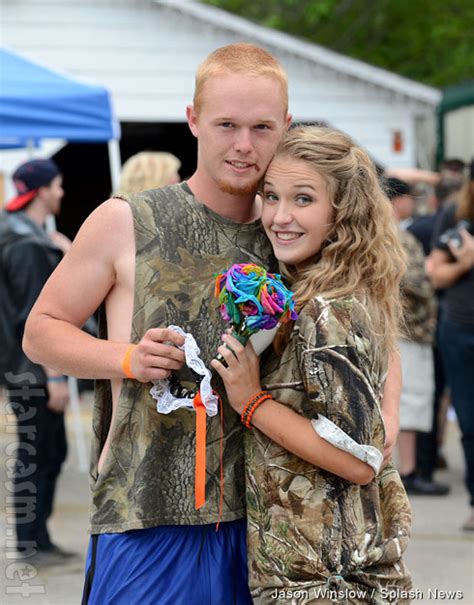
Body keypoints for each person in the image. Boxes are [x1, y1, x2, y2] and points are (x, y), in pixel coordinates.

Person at [23, 45, 402, 603]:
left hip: (276, 529)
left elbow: (374, 332)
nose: (244, 145)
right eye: (226, 124)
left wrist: (385, 422)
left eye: (261, 127)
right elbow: (41, 332)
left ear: (286, 127)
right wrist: (125, 358)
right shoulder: (126, 220)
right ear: (194, 119)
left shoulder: (296, 232)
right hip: (150, 515)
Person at [212, 126, 412, 604]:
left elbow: (358, 462)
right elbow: (388, 358)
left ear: (342, 210)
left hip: (325, 583)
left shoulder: (329, 308)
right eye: (271, 196)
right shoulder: (339, 289)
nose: (279, 217)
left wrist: (252, 401)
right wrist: (388, 412)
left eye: (303, 199)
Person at [0, 158, 73, 565]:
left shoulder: (18, 233)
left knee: (49, 451)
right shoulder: (29, 244)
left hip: (20, 367)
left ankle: (38, 539)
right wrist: (56, 377)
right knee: (36, 453)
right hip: (34, 372)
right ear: (43, 190)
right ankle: (30, 543)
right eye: (58, 185)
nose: (62, 192)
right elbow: (33, 316)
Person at [385, 178, 448, 496]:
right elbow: (416, 283)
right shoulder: (394, 236)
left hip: (406, 330)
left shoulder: (392, 234)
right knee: (410, 400)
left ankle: (407, 471)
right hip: (408, 330)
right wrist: (431, 272)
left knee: (410, 400)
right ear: (397, 201)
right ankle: (407, 472)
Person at [426, 163, 474, 531]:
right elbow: (434, 271)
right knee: (470, 421)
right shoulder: (454, 218)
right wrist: (465, 264)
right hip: (459, 331)